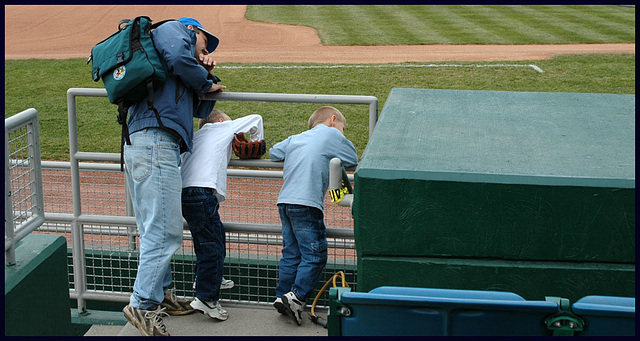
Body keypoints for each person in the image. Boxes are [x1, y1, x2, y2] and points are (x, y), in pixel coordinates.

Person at [122, 17, 226, 337]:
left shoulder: (175, 71)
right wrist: (205, 81)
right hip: (155, 144)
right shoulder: (172, 32)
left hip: (151, 145)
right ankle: (142, 303)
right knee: (165, 234)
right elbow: (182, 59)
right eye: (204, 44)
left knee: (154, 229)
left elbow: (201, 110)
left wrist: (206, 74)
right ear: (193, 31)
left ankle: (162, 296)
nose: (204, 50)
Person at [269, 106, 358, 325]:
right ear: (333, 120)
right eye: (342, 128)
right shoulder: (331, 134)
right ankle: (297, 297)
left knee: (292, 253)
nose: (342, 133)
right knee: (315, 255)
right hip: (307, 204)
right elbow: (352, 157)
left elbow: (273, 153)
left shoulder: (296, 138)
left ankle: (282, 296)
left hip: (285, 202)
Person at [180, 109, 264, 321]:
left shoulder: (195, 136)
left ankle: (209, 278)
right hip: (202, 193)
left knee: (210, 238)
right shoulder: (222, 126)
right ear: (219, 121)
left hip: (186, 193)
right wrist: (256, 142)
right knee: (212, 246)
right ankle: (206, 298)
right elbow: (256, 119)